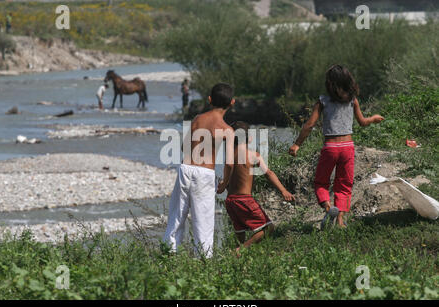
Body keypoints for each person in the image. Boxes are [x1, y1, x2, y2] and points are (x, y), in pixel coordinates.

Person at [288, 64, 384, 228]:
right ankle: (340, 220)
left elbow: (309, 125)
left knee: (321, 182)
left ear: (330, 84)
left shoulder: (322, 101)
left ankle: (327, 207)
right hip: (348, 147)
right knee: (344, 185)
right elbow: (362, 122)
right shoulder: (353, 100)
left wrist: (297, 144)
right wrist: (373, 118)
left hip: (331, 148)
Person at [163, 83, 236, 258]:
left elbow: (183, 147)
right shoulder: (227, 130)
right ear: (232, 103)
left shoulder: (197, 119)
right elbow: (230, 162)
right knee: (203, 222)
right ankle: (203, 262)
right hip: (204, 174)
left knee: (176, 216)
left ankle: (168, 255)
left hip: (186, 168)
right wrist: (224, 183)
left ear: (209, 100)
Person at [222, 121, 295, 256]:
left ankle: (237, 255)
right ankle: (240, 250)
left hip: (230, 201)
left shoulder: (229, 157)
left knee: (240, 232)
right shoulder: (253, 155)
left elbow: (227, 181)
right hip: (245, 199)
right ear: (250, 138)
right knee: (268, 228)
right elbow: (269, 174)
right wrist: (283, 190)